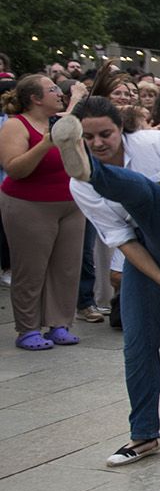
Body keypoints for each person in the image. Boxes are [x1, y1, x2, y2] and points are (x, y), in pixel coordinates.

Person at [51, 97, 160, 466]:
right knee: (137, 341)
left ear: (122, 129)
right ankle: (144, 435)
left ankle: (98, 175)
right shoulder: (77, 187)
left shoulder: (155, 143)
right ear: (79, 139)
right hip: (150, 252)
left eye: (106, 134)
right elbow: (124, 241)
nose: (98, 143)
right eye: (90, 138)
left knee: (145, 195)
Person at [0, 75, 86, 351]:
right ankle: (27, 328)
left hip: (70, 204)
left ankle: (59, 323)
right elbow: (15, 168)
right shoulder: (16, 125)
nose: (58, 93)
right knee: (31, 268)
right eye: (52, 90)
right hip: (29, 204)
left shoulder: (58, 120)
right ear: (35, 98)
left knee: (66, 267)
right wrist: (46, 142)